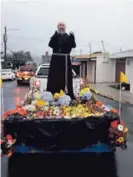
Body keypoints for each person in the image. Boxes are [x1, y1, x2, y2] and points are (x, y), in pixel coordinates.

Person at [47, 22, 76, 99]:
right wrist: (55, 35)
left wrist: (72, 36)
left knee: (66, 78)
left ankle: (67, 95)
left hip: (65, 60)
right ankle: (53, 94)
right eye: (60, 25)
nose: (61, 27)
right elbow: (50, 44)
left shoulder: (68, 36)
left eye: (62, 25)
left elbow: (73, 45)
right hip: (55, 61)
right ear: (57, 27)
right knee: (54, 78)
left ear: (65, 27)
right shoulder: (55, 36)